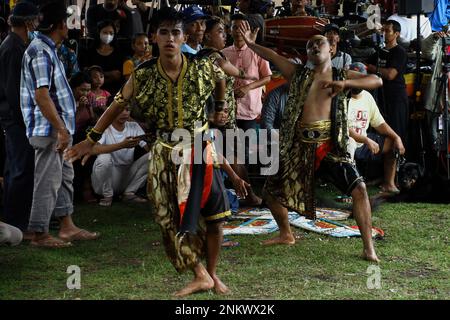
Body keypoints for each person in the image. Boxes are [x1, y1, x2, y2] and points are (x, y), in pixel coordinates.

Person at [65, 6, 248, 296]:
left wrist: (222, 106)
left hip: (200, 150)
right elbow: (117, 104)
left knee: (214, 218)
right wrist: (91, 138)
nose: (170, 39)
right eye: (164, 32)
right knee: (167, 218)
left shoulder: (201, 65)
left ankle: (211, 274)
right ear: (154, 37)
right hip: (165, 153)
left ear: (183, 35)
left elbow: (223, 77)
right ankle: (199, 273)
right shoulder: (143, 74)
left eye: (176, 32)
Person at [237, 21, 383, 262]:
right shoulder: (297, 73)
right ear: (307, 53)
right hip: (299, 145)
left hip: (329, 145)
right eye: (310, 45)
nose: (315, 46)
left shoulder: (340, 74)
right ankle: (286, 234)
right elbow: (272, 54)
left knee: (360, 189)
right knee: (271, 193)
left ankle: (368, 248)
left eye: (320, 43)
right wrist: (252, 44)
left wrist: (345, 84)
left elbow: (376, 80)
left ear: (331, 51)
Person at [20, 2, 99, 248]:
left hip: (56, 127)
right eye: (67, 22)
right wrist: (61, 129)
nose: (69, 26)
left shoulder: (48, 48)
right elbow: (42, 95)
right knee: (48, 179)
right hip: (49, 129)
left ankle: (67, 226)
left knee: (64, 175)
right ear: (60, 25)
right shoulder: (41, 51)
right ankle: (38, 232)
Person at [222, 13, 272, 206]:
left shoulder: (258, 52)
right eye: (235, 27)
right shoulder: (224, 53)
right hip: (229, 112)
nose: (238, 31)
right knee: (233, 154)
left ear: (250, 31)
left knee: (245, 154)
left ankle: (245, 192)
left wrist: (248, 87)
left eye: (243, 27)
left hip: (250, 110)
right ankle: (245, 194)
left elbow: (267, 77)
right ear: (230, 30)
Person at [0, 1, 38, 238]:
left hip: (14, 117)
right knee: (19, 169)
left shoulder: (15, 44)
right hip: (15, 118)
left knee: (16, 167)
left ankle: (16, 220)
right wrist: (26, 118)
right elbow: (13, 91)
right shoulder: (12, 47)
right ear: (27, 22)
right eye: (35, 20)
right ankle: (16, 222)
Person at [347, 62, 405, 194]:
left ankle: (389, 184)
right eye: (353, 79)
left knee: (392, 144)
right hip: (346, 140)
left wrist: (396, 137)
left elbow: (379, 123)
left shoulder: (367, 97)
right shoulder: (341, 97)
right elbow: (343, 128)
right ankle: (350, 189)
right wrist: (366, 140)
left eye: (360, 79)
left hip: (363, 140)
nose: (356, 83)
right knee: (349, 143)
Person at [90, 107, 149, 206]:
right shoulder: (104, 127)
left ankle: (129, 193)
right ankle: (107, 195)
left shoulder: (133, 126)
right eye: (120, 109)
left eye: (127, 109)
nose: (125, 113)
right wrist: (121, 145)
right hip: (106, 181)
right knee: (104, 158)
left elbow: (147, 147)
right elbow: (93, 149)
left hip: (126, 176)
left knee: (153, 156)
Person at [366, 20, 409, 144]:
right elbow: (365, 64)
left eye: (387, 31)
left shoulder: (399, 52)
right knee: (381, 135)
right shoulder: (380, 52)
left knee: (395, 135)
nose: (384, 33)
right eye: (382, 30)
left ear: (396, 34)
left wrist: (372, 68)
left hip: (396, 99)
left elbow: (390, 75)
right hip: (380, 98)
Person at [421, 30, 450, 151]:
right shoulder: (442, 44)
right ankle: (437, 163)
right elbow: (427, 51)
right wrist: (434, 37)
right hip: (437, 101)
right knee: (436, 138)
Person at [80, 19, 124, 95]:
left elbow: (117, 75)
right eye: (105, 32)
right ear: (98, 33)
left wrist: (96, 77)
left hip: (114, 93)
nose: (108, 35)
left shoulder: (119, 53)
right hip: (92, 93)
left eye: (111, 33)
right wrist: (108, 74)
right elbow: (86, 72)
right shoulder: (89, 52)